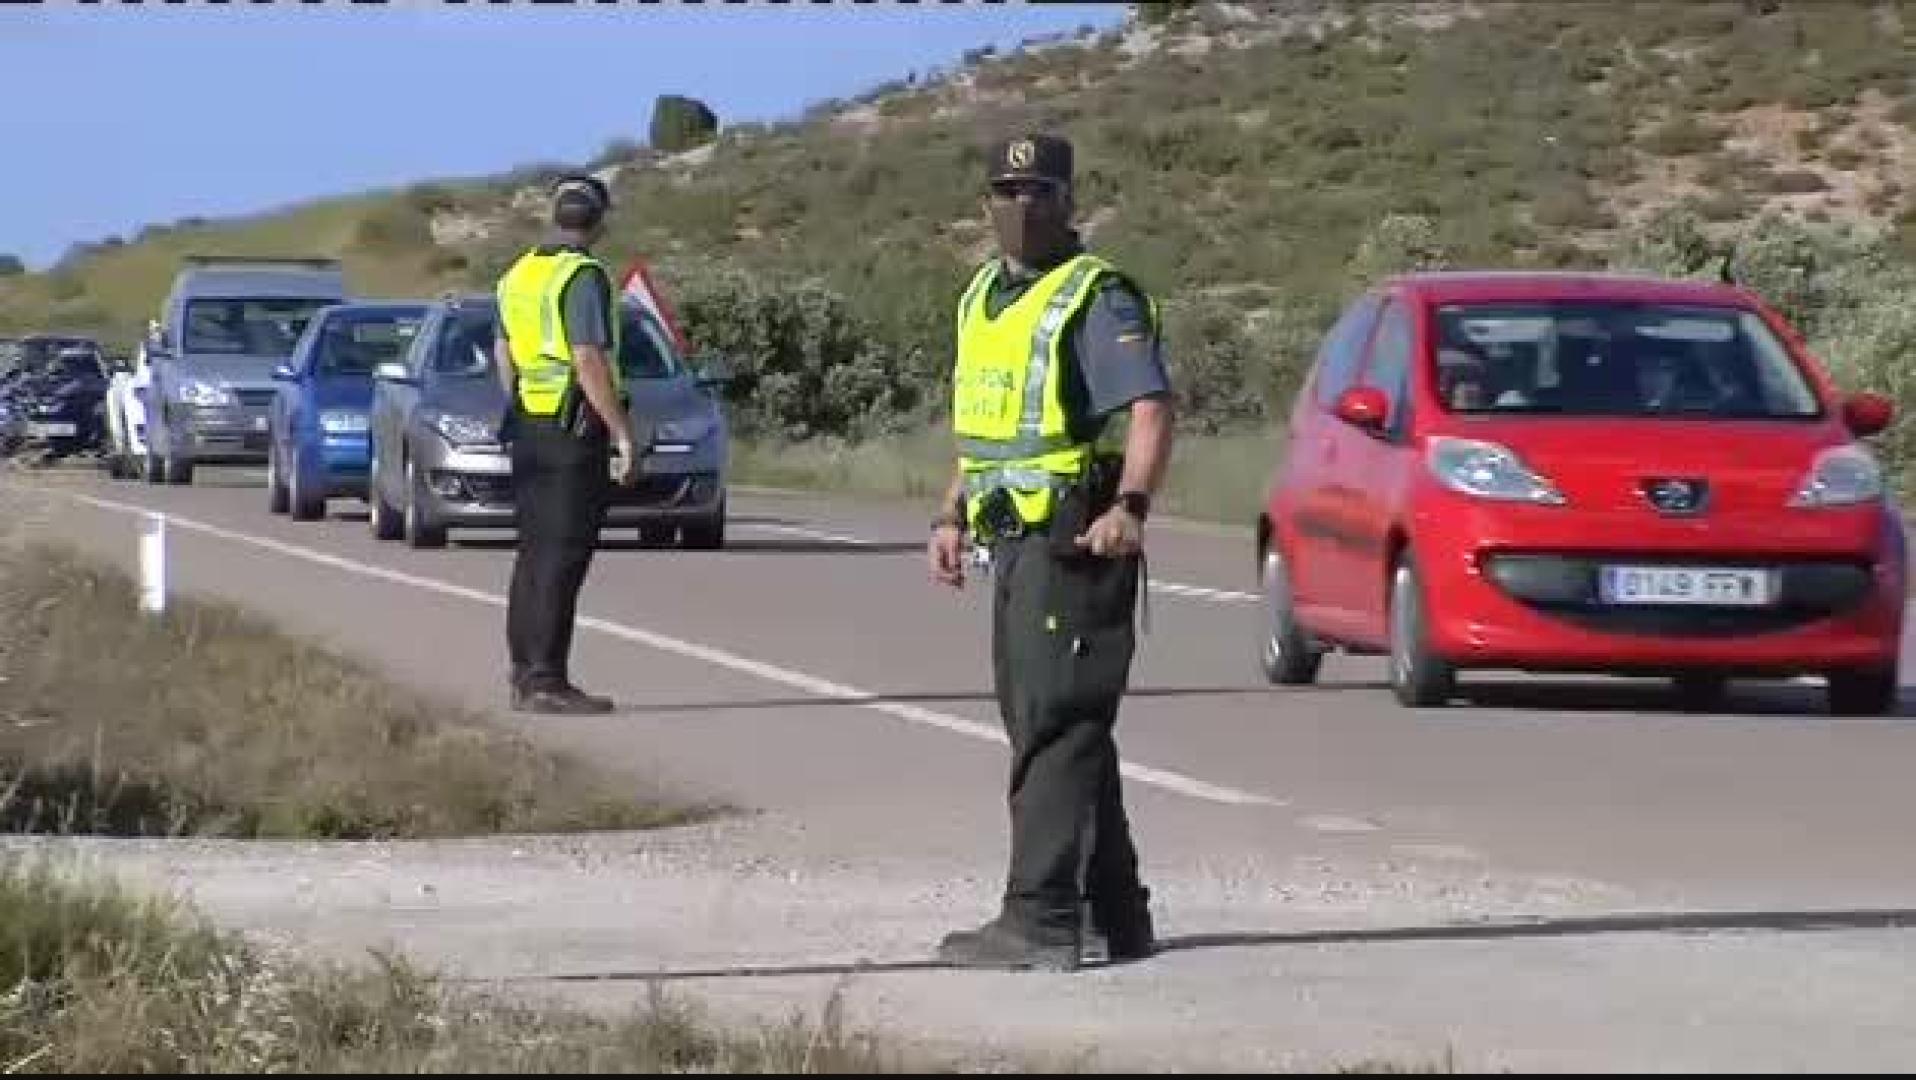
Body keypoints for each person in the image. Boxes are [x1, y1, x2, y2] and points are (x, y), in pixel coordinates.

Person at [927, 132, 1176, 972]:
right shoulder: (981, 297)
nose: (1021, 208)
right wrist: (950, 513)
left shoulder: (1095, 296)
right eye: (1006, 191)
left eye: (1039, 192)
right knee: (1052, 719)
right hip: (1008, 531)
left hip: (1074, 530)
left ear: (1070, 202)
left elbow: (1149, 408)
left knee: (1058, 722)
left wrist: (1132, 506)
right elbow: (980, 422)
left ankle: (1039, 917)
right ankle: (1116, 914)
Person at [493, 173, 641, 715]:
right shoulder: (582, 276)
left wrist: (521, 403)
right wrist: (623, 433)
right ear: (600, 221)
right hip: (572, 427)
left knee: (532, 554)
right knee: (562, 556)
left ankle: (522, 669)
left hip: (530, 423)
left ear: (555, 215)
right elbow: (587, 358)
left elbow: (503, 350)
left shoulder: (520, 274)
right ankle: (545, 679)